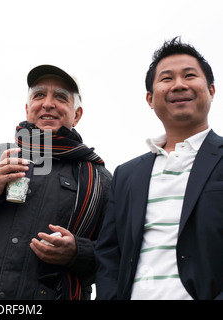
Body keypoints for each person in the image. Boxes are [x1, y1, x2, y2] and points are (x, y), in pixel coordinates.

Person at [0, 65, 112, 300]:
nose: (48, 103)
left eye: (60, 97)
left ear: (77, 114)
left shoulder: (99, 179)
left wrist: (78, 252)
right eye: (39, 95)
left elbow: (118, 256)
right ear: (27, 109)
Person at [95, 37, 223, 300]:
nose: (178, 84)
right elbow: (109, 254)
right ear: (150, 99)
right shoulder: (127, 175)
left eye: (190, 75)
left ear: (211, 90)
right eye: (166, 78)